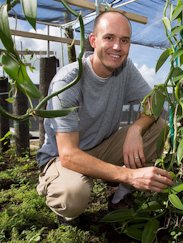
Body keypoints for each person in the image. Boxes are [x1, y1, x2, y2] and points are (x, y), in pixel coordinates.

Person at [36, 11, 173, 222]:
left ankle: (120, 197)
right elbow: (69, 154)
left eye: (124, 40)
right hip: (62, 158)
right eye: (109, 38)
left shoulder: (125, 69)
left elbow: (154, 101)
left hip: (100, 146)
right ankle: (57, 193)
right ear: (93, 40)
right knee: (73, 195)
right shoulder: (69, 81)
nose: (117, 47)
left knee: (158, 126)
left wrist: (136, 129)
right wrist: (128, 174)